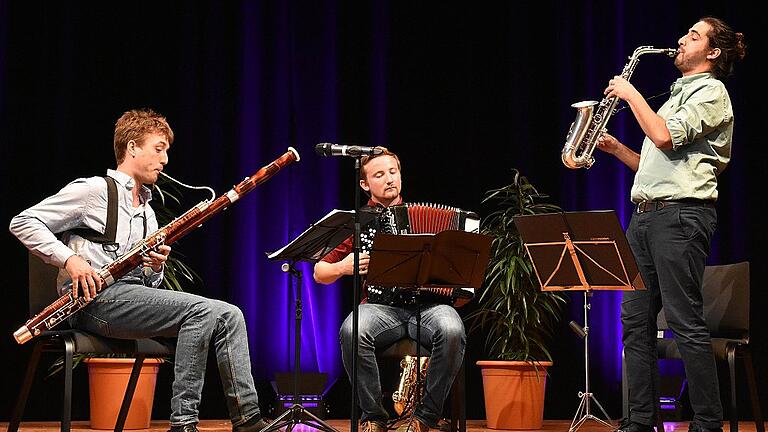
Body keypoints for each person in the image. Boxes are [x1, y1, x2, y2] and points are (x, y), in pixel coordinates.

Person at [9, 108, 270, 432]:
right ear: (132, 147)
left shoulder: (147, 211)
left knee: (229, 314)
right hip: (91, 300)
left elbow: (147, 286)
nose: (165, 160)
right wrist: (70, 260)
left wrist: (156, 268)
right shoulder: (94, 191)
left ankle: (248, 420)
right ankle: (183, 423)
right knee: (202, 313)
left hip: (125, 299)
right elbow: (23, 221)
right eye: (159, 148)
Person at [596, 17, 746, 432]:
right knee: (634, 321)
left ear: (713, 53)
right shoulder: (678, 95)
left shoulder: (712, 92)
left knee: (683, 321)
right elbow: (654, 165)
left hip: (681, 216)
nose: (681, 39)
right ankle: (640, 422)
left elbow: (662, 137)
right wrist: (614, 148)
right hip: (645, 217)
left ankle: (706, 424)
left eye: (694, 36)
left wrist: (630, 95)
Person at [313, 149, 465, 432]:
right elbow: (319, 272)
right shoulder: (358, 222)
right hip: (380, 308)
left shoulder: (428, 217)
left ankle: (425, 417)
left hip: (429, 307)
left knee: (453, 329)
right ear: (365, 184)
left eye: (393, 172)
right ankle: (374, 416)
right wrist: (343, 267)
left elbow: (461, 271)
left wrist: (460, 287)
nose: (389, 180)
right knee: (352, 330)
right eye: (379, 175)